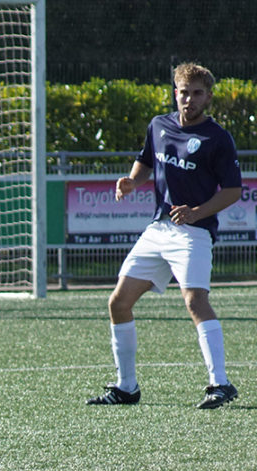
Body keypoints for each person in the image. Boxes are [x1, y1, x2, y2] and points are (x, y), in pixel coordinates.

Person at [87, 63, 242, 409]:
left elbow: (232, 191)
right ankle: (127, 387)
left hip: (194, 233)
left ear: (208, 97)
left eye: (197, 93)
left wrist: (196, 212)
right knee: (118, 303)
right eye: (184, 92)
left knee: (194, 301)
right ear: (175, 92)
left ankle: (221, 383)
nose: (189, 99)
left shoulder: (217, 138)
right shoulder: (159, 125)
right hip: (158, 229)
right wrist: (132, 181)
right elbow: (146, 160)